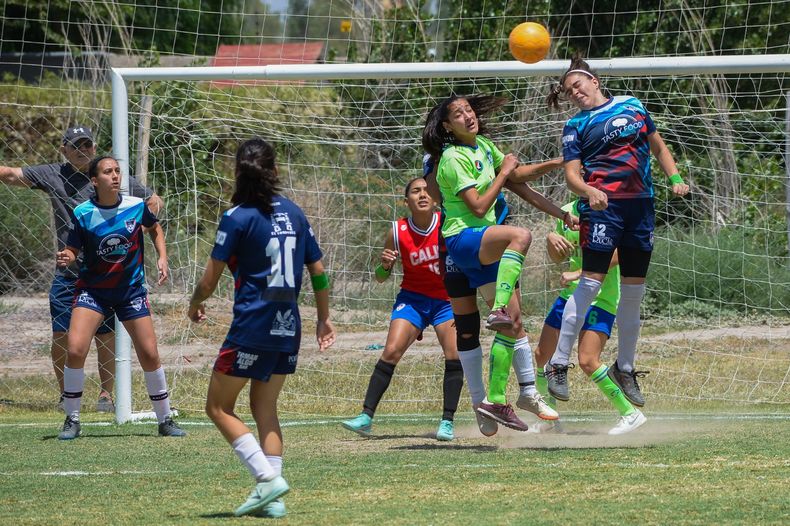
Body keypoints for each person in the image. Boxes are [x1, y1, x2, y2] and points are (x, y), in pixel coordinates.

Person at [188, 138, 335, 518]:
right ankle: (275, 498)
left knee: (218, 406)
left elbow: (208, 282)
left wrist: (195, 303)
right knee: (264, 406)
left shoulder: (236, 217)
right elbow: (318, 273)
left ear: (237, 171)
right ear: (275, 171)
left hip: (252, 324)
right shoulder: (295, 213)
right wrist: (323, 318)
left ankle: (266, 479)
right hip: (289, 326)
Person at [544, 55, 690, 434]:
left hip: (641, 207)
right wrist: (590, 191)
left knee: (633, 294)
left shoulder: (632, 105)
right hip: (604, 209)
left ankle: (625, 368)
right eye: (568, 90)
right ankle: (559, 363)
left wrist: (674, 177)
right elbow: (573, 176)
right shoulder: (574, 126)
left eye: (578, 84)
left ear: (594, 81)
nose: (575, 92)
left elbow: (658, 147)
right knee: (589, 283)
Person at [423, 94, 569, 431]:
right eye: (458, 114)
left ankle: (501, 400)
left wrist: (559, 164)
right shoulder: (452, 158)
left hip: (486, 243)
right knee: (520, 236)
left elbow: (520, 178)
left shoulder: (485, 146)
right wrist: (503, 173)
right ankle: (485, 395)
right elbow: (477, 206)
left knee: (512, 323)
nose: (467, 116)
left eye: (469, 110)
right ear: (447, 126)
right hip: (463, 240)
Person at [0, 125, 163, 412]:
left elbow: (151, 201)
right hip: (69, 274)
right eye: (76, 146)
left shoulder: (108, 175)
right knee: (62, 337)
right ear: (64, 150)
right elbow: (11, 174)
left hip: (110, 275)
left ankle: (106, 395)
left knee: (106, 336)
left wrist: (140, 228)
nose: (82, 150)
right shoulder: (53, 174)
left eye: (87, 145)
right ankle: (67, 397)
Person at [55, 156, 184, 440]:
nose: (115, 176)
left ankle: (164, 419)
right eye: (107, 172)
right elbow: (73, 248)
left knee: (149, 353)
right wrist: (68, 256)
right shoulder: (83, 212)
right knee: (75, 349)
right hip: (93, 291)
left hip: (130, 291)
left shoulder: (135, 206)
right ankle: (72, 419)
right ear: (94, 180)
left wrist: (162, 257)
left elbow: (155, 228)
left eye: (117, 171)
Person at [340, 177, 463, 441]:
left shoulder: (447, 223)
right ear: (406, 200)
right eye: (415, 191)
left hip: (445, 301)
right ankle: (365, 418)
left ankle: (447, 422)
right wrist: (384, 265)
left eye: (426, 191)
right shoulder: (397, 231)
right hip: (413, 299)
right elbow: (380, 277)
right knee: (391, 351)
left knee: (454, 354)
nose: (422, 195)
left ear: (435, 199)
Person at [532, 199, 645, 435]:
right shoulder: (567, 211)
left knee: (587, 359)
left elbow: (619, 254)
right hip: (570, 297)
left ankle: (630, 414)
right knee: (543, 354)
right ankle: (549, 419)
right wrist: (551, 239)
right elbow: (557, 257)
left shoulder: (611, 209)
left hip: (601, 297)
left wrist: (578, 273)